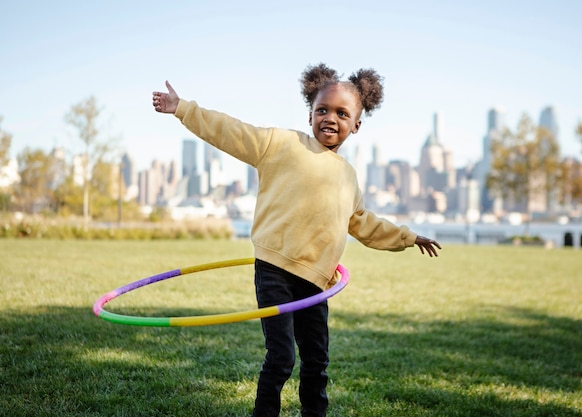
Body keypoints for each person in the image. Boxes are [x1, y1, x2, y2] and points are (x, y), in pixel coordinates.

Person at [152, 63, 441, 417]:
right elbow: (231, 131)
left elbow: (363, 223)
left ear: (356, 125)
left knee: (316, 361)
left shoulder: (348, 177)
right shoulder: (280, 144)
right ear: (309, 115)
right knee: (282, 356)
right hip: (274, 268)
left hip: (317, 280)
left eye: (341, 113)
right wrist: (183, 108)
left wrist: (408, 237)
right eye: (322, 110)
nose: (330, 118)